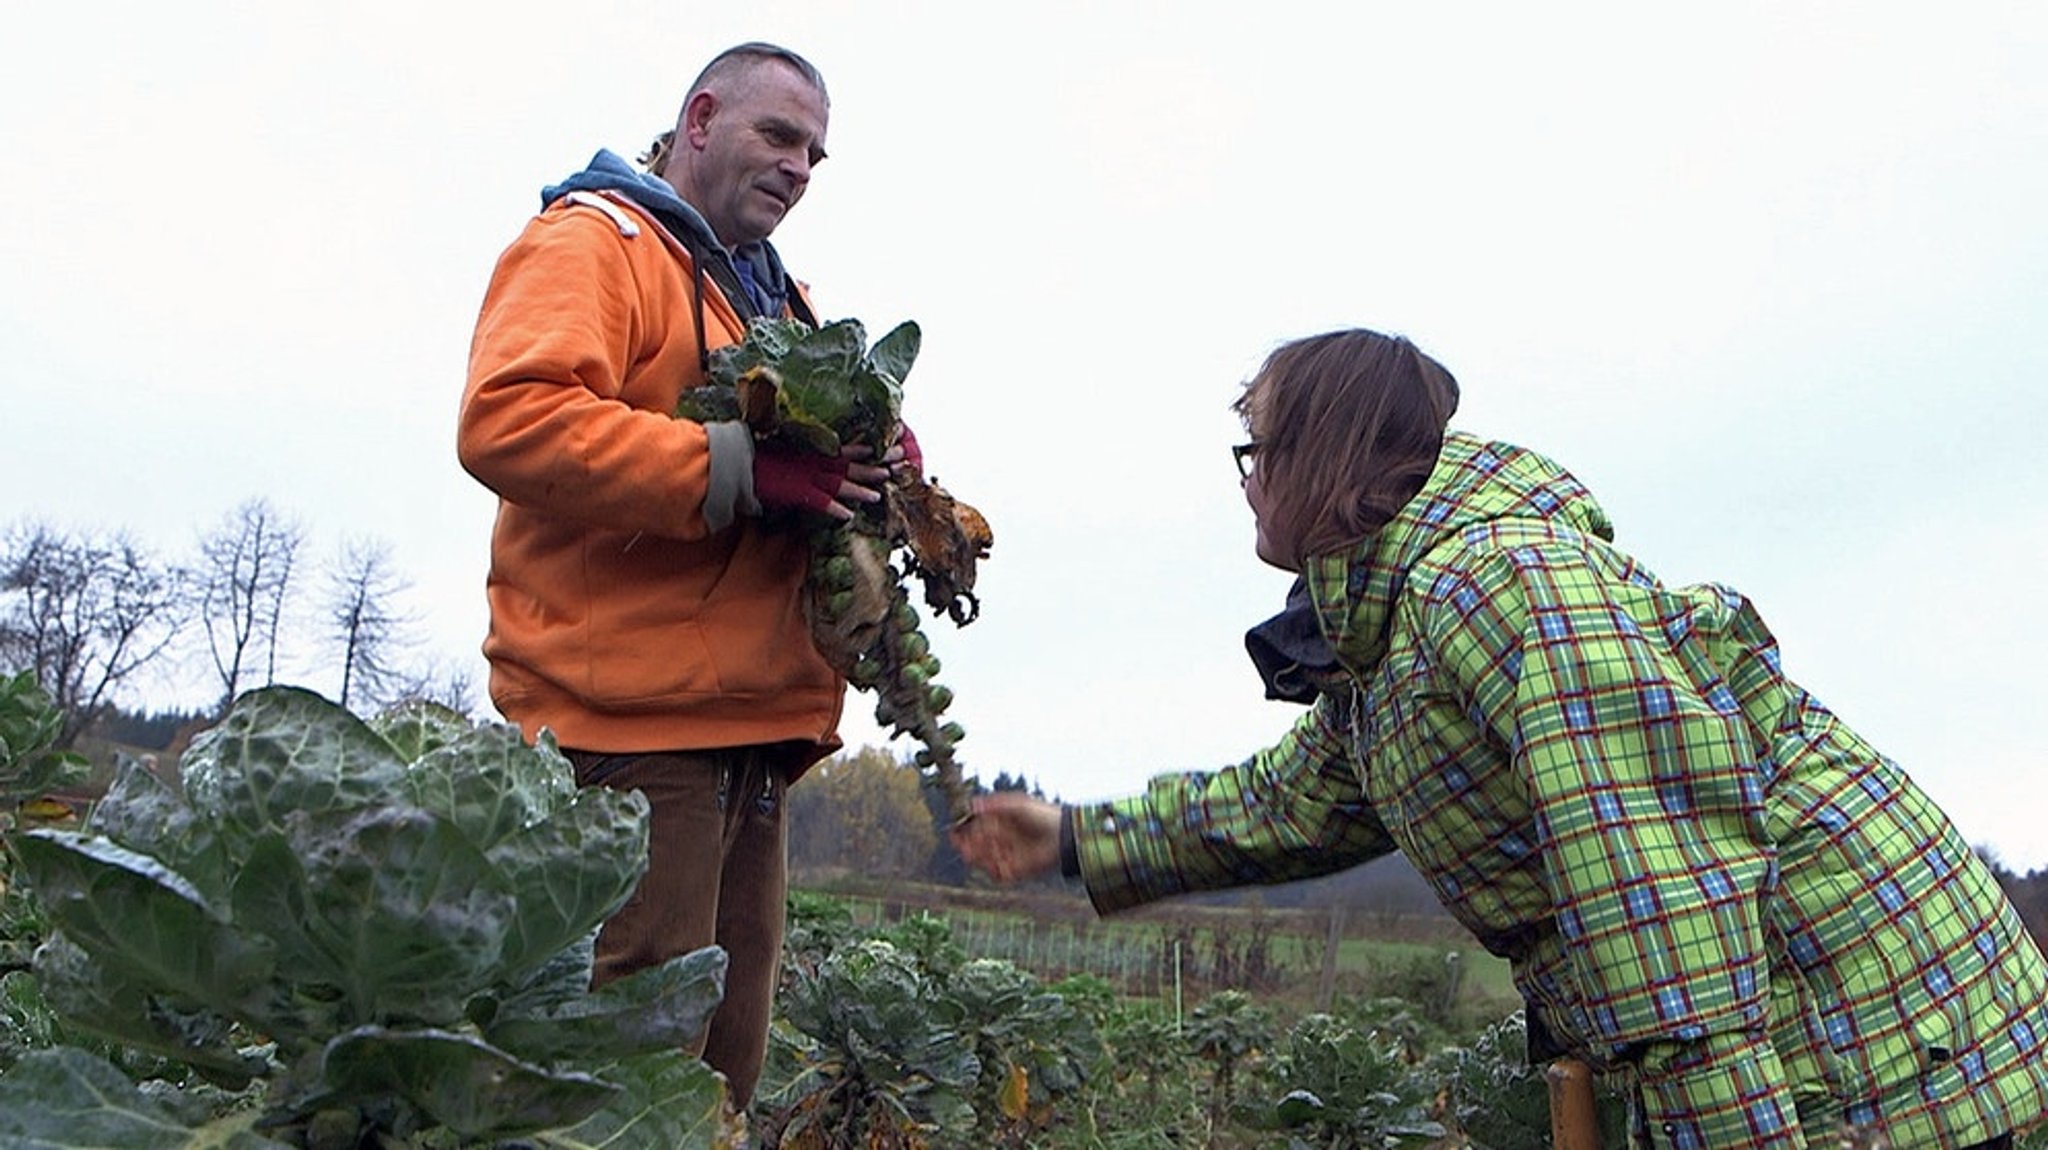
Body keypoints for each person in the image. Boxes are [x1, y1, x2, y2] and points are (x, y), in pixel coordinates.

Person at [952, 329, 2048, 1149]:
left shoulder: (1492, 584)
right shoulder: (1388, 633)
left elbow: (1658, 889)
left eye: (1256, 448)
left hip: (1864, 1021)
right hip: (1791, 1016)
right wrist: (1072, 836)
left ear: (1318, 456)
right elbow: (1296, 802)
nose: (1244, 479)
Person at [457, 42, 914, 1109]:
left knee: (718, 1069)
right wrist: (739, 467)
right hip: (632, 727)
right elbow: (509, 420)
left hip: (751, 728)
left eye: (815, 153)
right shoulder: (596, 241)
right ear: (700, 119)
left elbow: (818, 463)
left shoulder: (776, 297)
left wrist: (883, 459)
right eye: (778, 136)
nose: (799, 167)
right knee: (632, 1073)